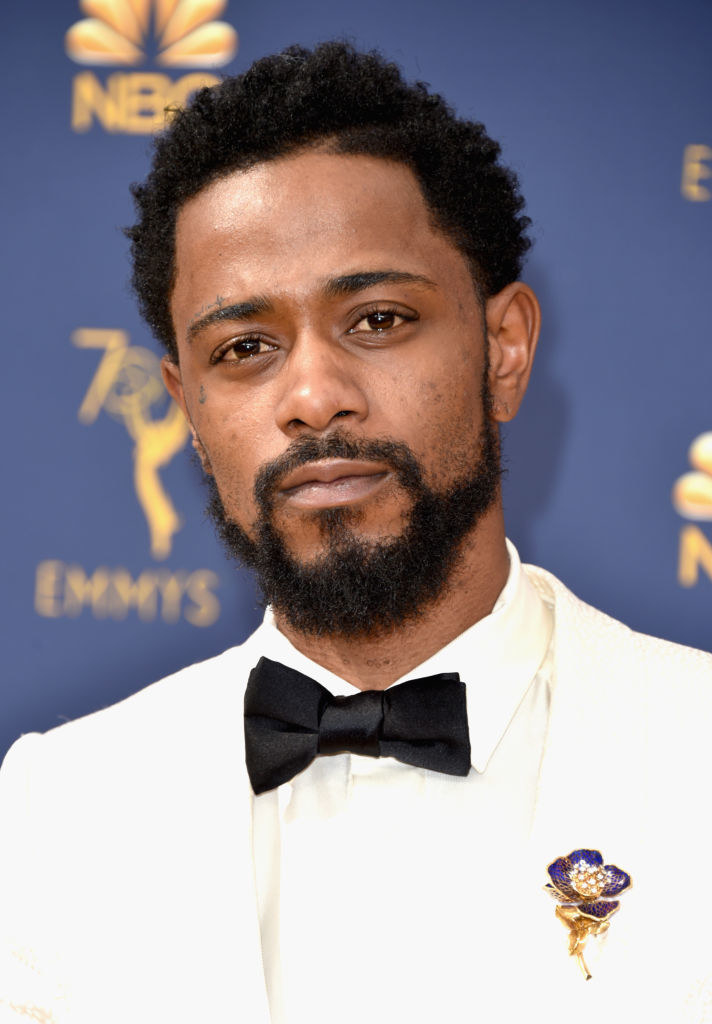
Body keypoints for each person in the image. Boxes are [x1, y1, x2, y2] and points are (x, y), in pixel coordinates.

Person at [1, 41, 710, 1024]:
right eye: (244, 348)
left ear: (503, 349)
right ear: (187, 408)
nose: (311, 397)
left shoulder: (696, 746)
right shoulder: (48, 811)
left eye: (377, 319)